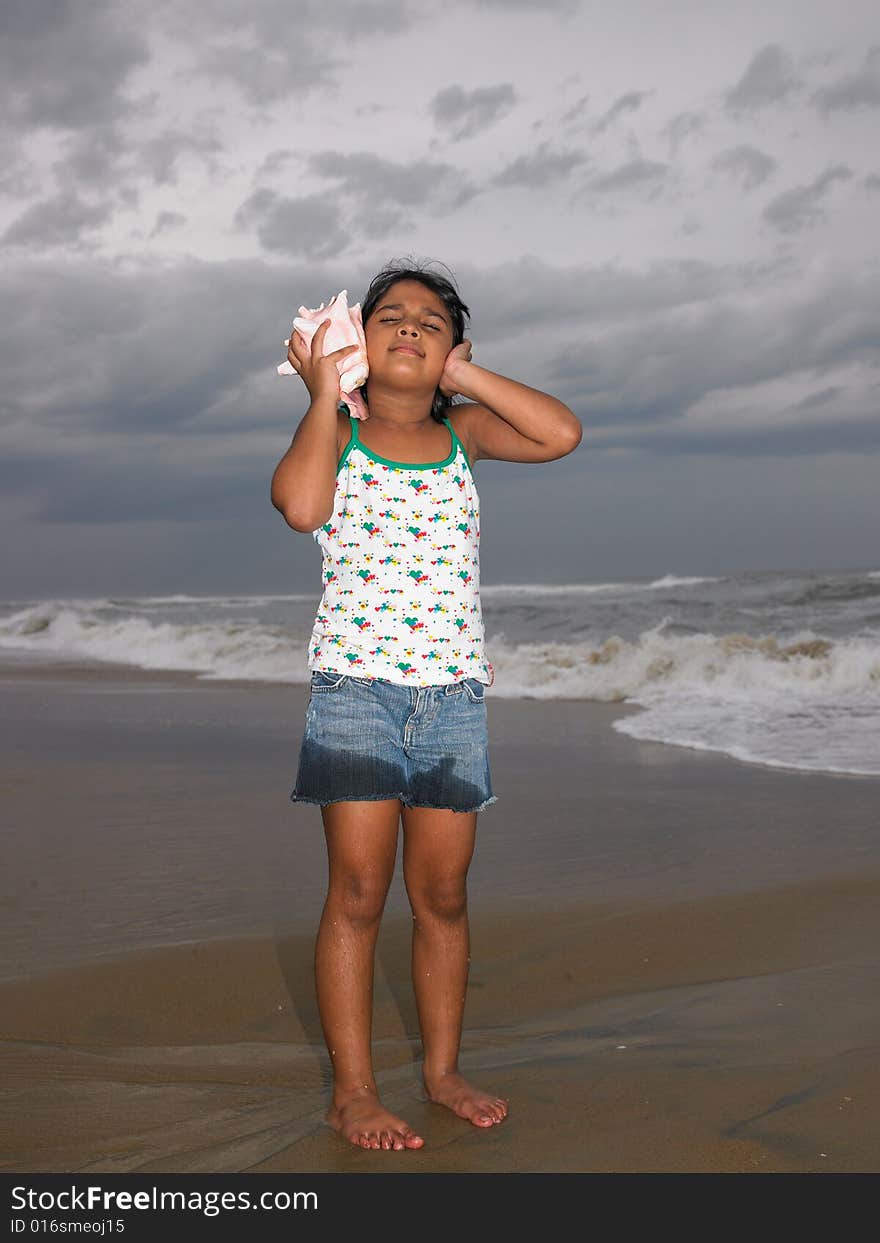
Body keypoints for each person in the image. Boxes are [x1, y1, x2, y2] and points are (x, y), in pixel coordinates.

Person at [270, 258, 582, 1152]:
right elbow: (298, 507)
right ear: (358, 342)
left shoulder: (467, 437)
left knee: (442, 893)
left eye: (431, 323)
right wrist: (324, 390)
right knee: (360, 891)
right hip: (356, 692)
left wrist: (466, 379)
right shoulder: (337, 434)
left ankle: (442, 1069)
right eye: (391, 317)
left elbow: (560, 433)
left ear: (455, 350)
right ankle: (354, 1091)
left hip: (453, 699)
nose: (409, 326)